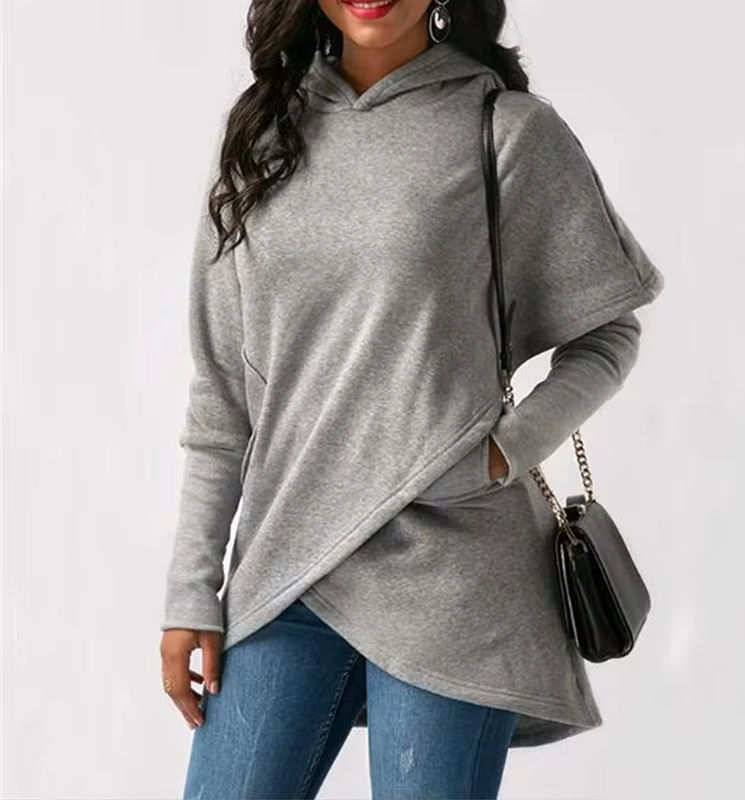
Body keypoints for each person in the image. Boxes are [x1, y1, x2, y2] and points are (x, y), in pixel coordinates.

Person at [159, 0, 666, 797]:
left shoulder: (504, 129)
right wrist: (192, 589)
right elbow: (222, 398)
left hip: (454, 574)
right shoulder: (262, 138)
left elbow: (608, 334)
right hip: (287, 565)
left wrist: (501, 452)